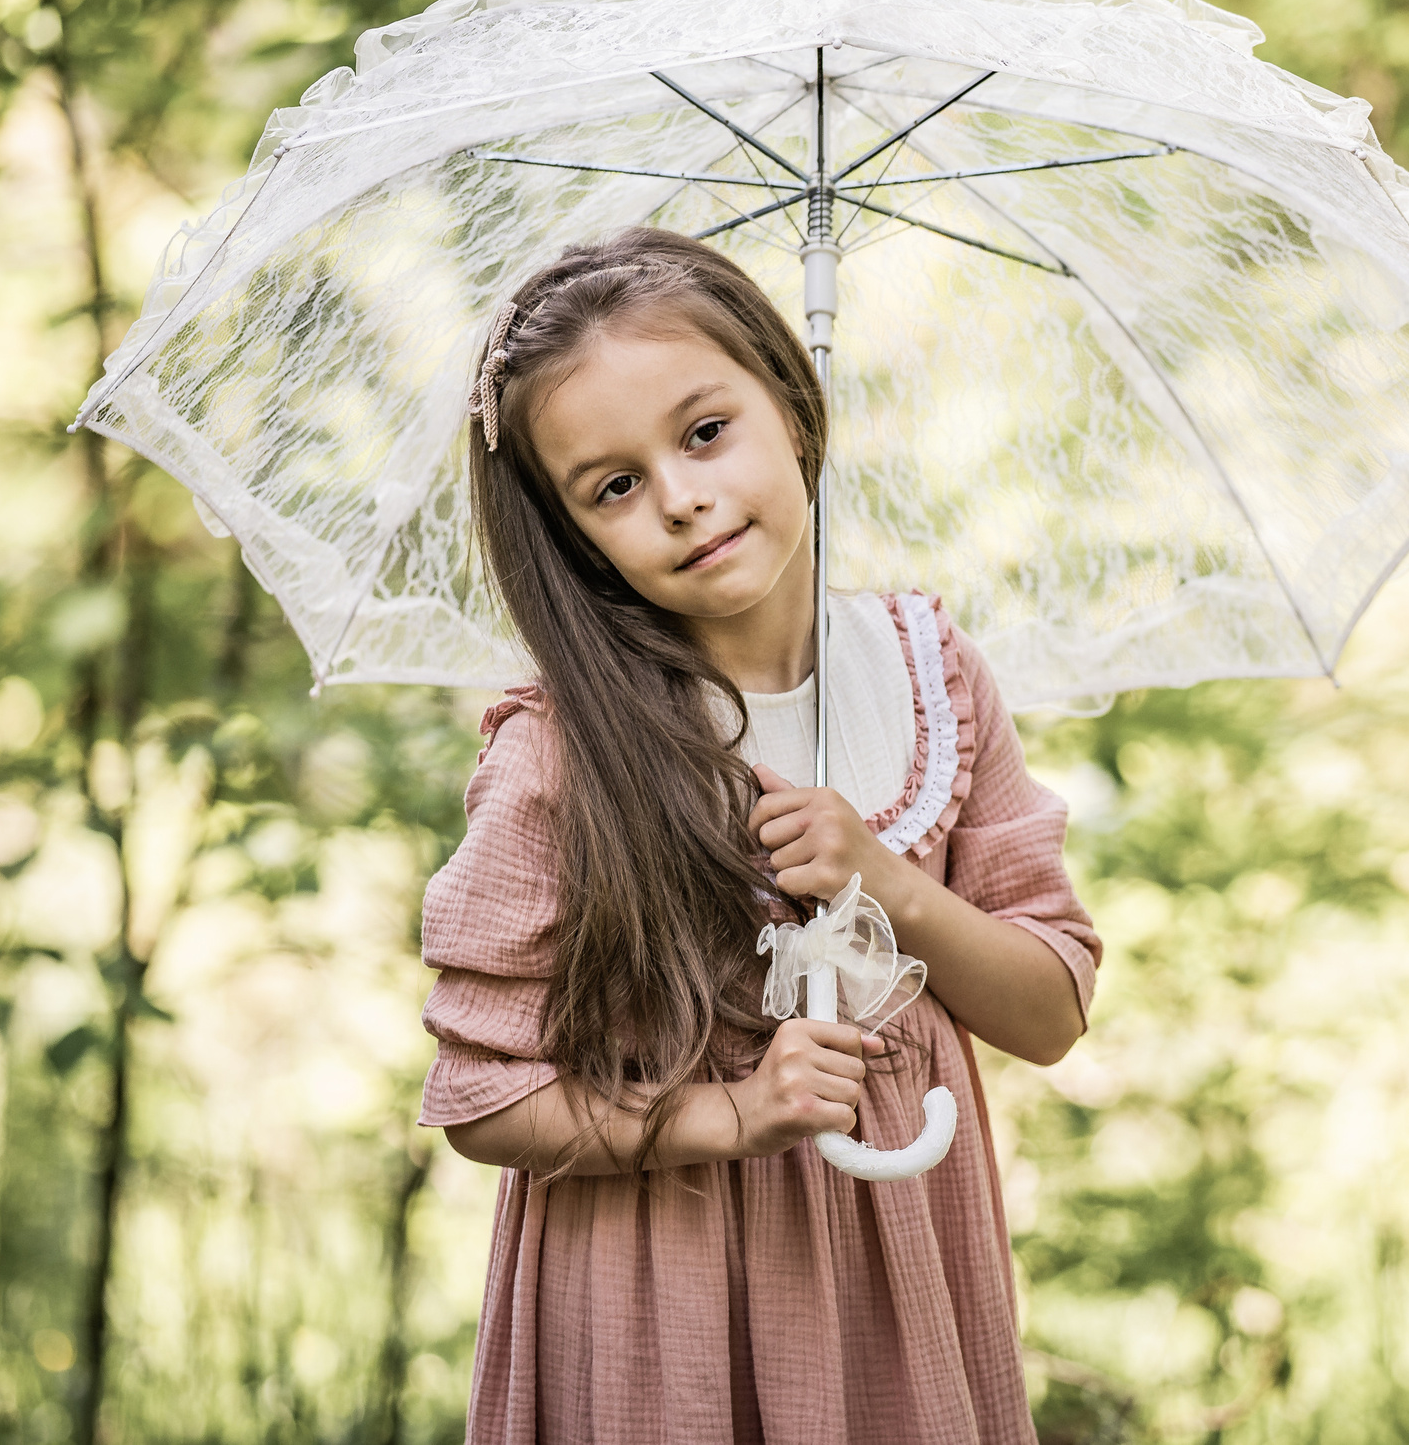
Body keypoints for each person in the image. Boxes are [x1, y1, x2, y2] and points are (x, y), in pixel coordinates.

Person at [418, 226, 1100, 1444]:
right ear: (574, 536)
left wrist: (884, 876)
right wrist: (725, 1116)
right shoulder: (566, 751)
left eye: (704, 431)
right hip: (654, 1282)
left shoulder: (928, 678)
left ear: (789, 402)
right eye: (613, 487)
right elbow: (480, 1097)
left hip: (901, 1270)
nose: (681, 497)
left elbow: (1047, 1013)